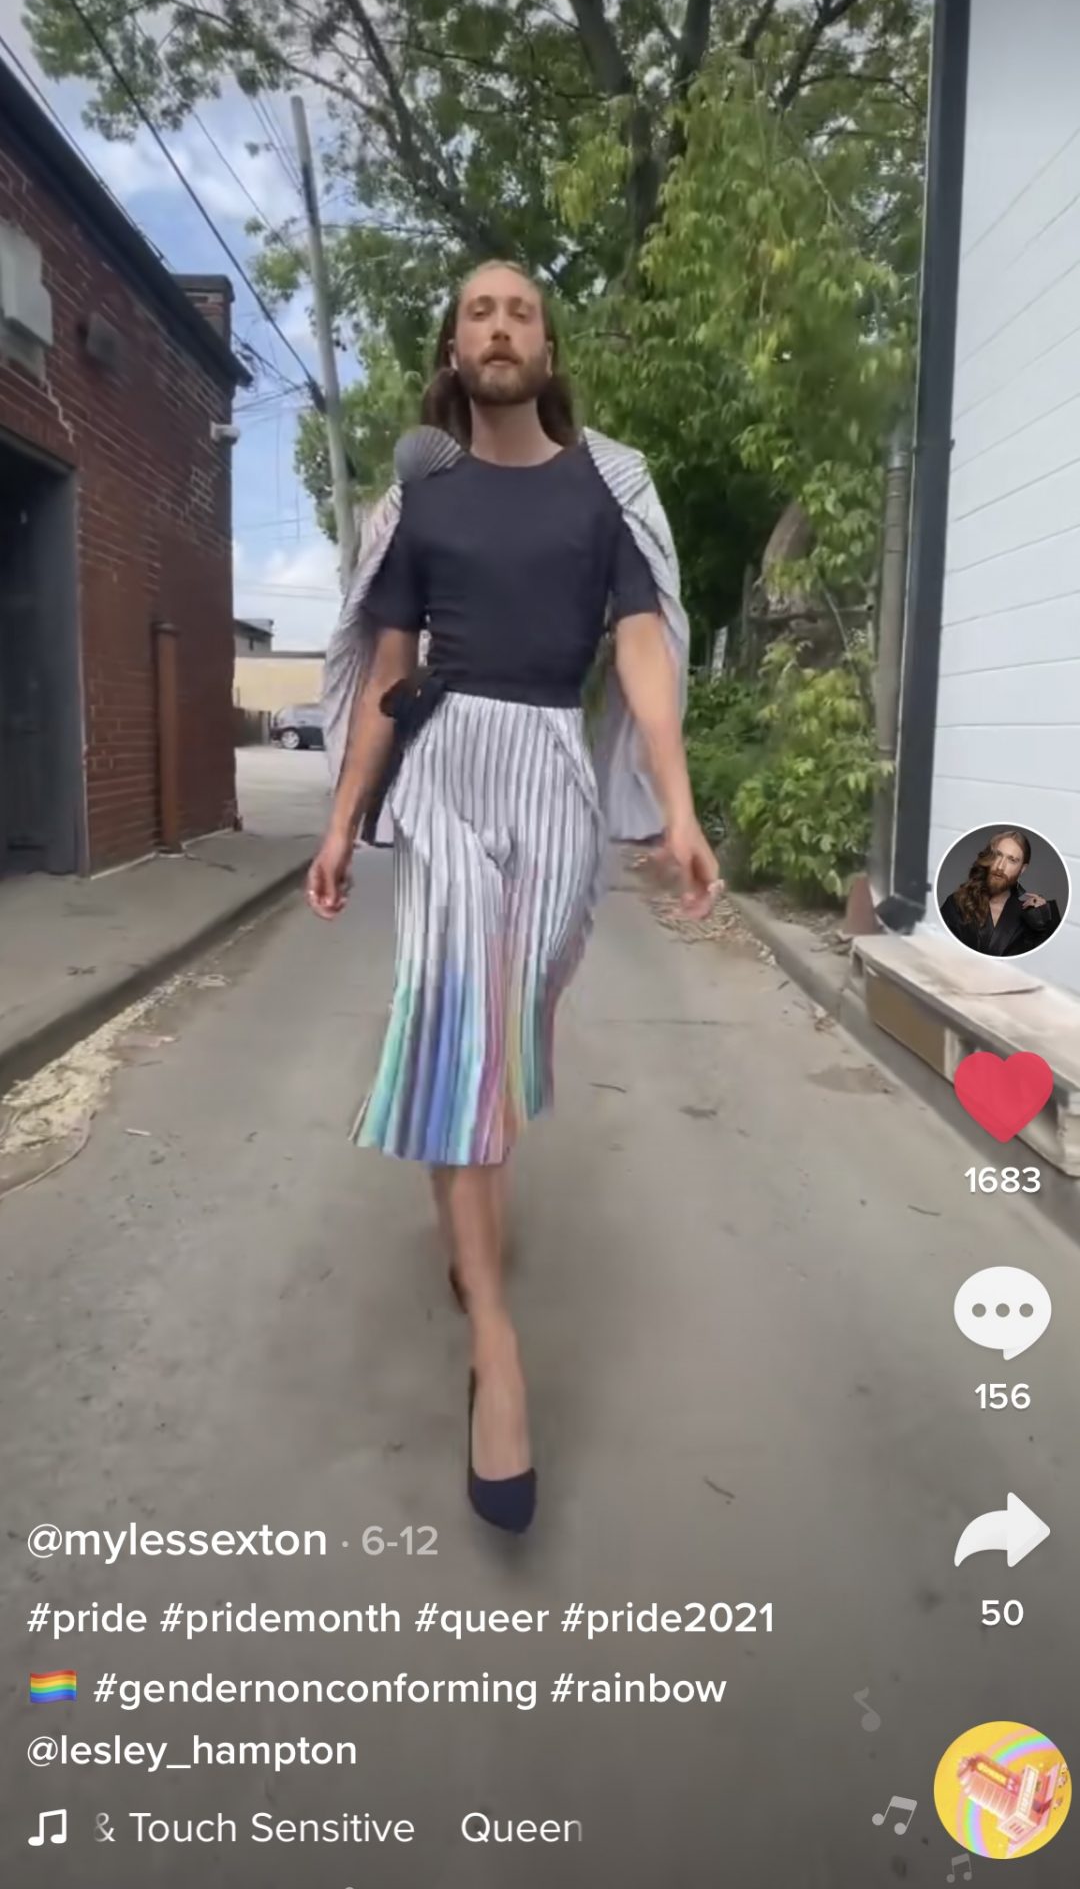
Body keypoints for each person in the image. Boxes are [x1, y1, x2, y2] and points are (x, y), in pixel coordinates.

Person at [306, 260, 720, 1535]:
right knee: (451, 1021)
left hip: (550, 771)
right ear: (453, 345)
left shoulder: (609, 485)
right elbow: (388, 664)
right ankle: (498, 1344)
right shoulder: (421, 498)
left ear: (547, 345)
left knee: (497, 1042)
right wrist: (340, 822)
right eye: (479, 311)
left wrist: (678, 802)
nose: (500, 327)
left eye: (521, 310)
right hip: (442, 770)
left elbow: (641, 645)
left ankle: (466, 1214)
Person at [940, 829, 1062, 958]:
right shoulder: (958, 902)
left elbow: (1045, 965)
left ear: (1022, 869)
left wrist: (1046, 921)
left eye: (1012, 860)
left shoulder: (1031, 913)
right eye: (997, 855)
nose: (1000, 866)